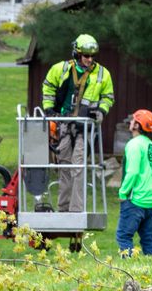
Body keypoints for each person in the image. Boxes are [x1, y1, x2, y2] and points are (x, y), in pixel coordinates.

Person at [40, 33, 115, 212]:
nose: (90, 59)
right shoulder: (61, 69)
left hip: (85, 126)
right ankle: (63, 209)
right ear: (77, 53)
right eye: (86, 56)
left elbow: (108, 97)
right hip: (64, 124)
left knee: (78, 165)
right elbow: (48, 87)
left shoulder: (103, 74)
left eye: (92, 56)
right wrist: (49, 109)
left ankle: (76, 210)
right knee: (64, 165)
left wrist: (101, 111)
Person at [117, 108, 152, 255]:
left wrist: (123, 192)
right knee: (147, 238)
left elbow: (133, 172)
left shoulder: (134, 144)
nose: (130, 122)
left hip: (136, 199)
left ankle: (128, 266)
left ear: (137, 125)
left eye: (133, 120)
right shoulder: (151, 145)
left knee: (124, 236)